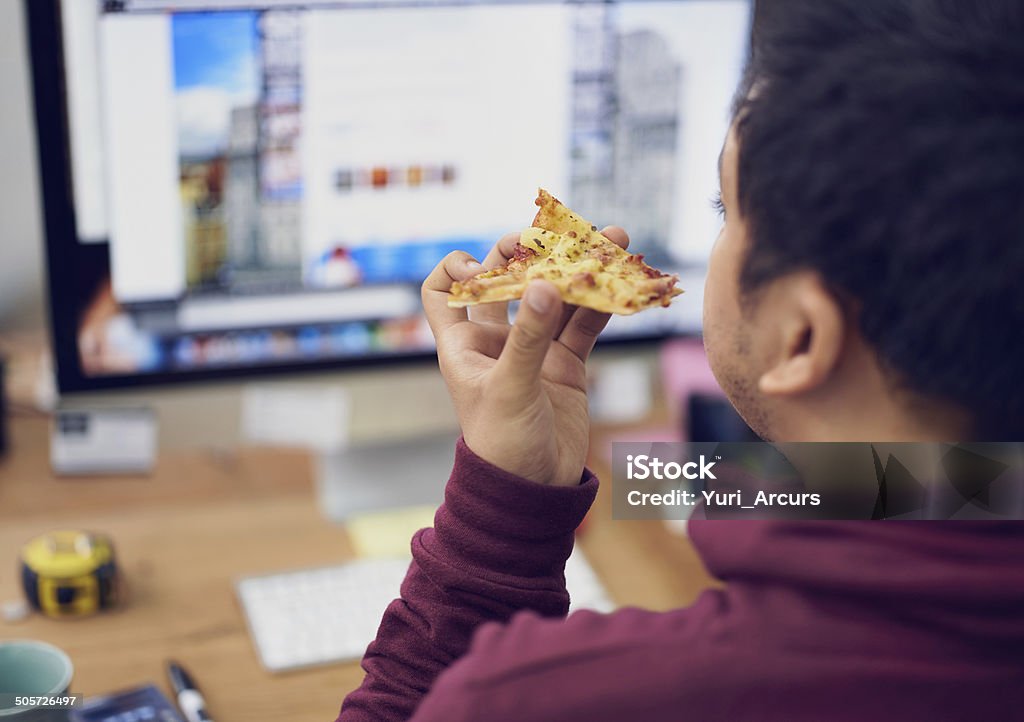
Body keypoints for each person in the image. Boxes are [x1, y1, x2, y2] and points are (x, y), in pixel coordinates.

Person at [337, 0, 1024, 719]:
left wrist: (492, 538)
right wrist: (524, 487)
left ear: (800, 337)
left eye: (724, 210)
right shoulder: (972, 498)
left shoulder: (530, 699)